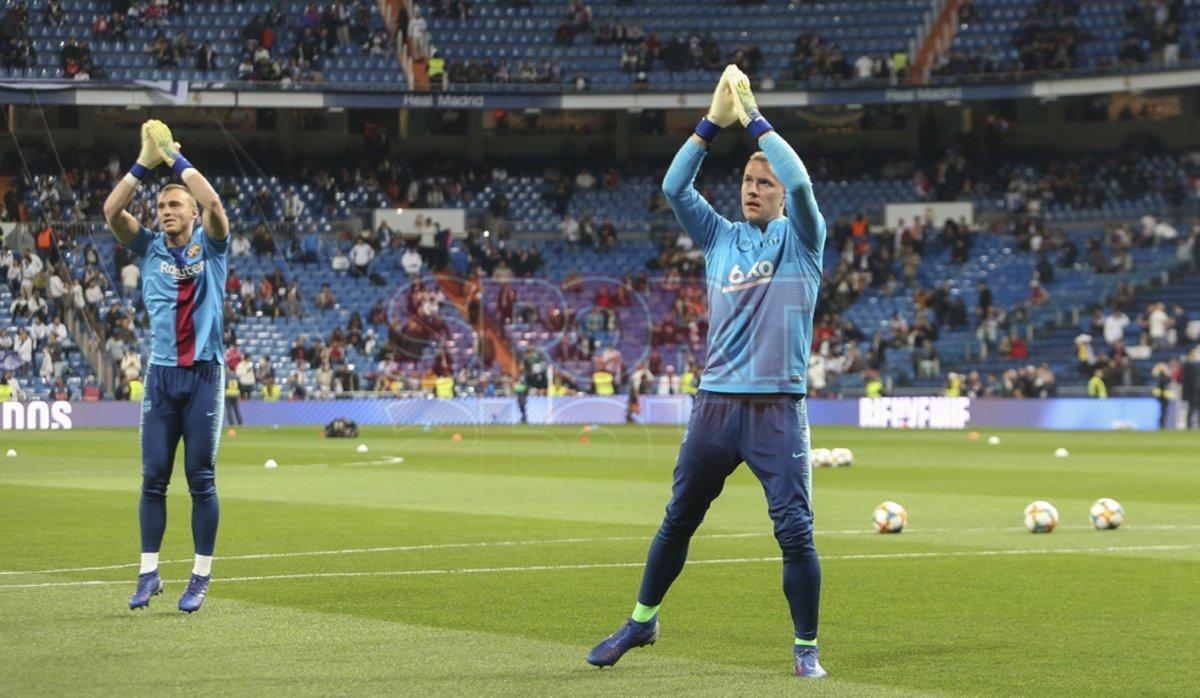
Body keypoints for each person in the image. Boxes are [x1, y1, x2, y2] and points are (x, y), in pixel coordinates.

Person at [587, 66, 827, 678]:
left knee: (795, 534)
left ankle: (805, 650)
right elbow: (674, 186)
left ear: (781, 195)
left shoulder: (803, 240)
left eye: (763, 183)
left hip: (777, 408)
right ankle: (641, 621)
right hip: (716, 405)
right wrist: (712, 125)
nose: (753, 188)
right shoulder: (719, 238)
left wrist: (754, 119)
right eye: (747, 180)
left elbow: (800, 180)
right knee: (679, 518)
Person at [103, 119, 230, 614]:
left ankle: (199, 576)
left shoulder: (213, 246)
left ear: (192, 213)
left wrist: (173, 156)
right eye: (160, 206)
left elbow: (216, 204)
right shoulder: (149, 246)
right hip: (161, 375)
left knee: (201, 479)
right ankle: (148, 573)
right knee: (153, 478)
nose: (165, 211)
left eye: (174, 204)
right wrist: (142, 164)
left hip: (203, 374)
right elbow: (112, 210)